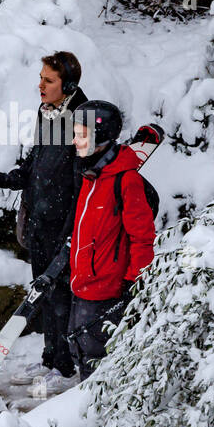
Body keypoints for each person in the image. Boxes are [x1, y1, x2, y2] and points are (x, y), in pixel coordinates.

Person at [0, 51, 88, 388]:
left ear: (69, 84)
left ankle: (65, 367)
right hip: (39, 220)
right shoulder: (47, 113)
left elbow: (81, 179)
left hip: (63, 224)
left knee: (62, 295)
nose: (41, 86)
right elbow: (37, 161)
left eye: (49, 80)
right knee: (43, 294)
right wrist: (16, 178)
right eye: (40, 78)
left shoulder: (82, 119)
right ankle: (50, 358)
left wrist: (70, 230)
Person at [66, 100, 156, 381]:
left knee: (98, 360)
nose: (74, 140)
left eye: (81, 134)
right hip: (81, 284)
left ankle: (98, 414)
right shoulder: (91, 175)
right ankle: (82, 406)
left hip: (107, 291)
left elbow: (142, 238)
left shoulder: (125, 180)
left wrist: (134, 282)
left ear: (101, 136)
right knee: (78, 350)